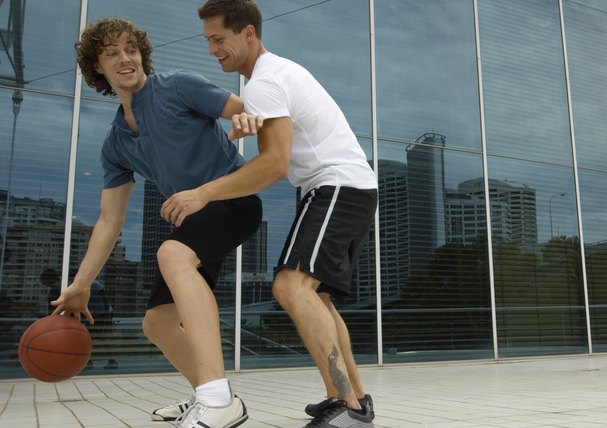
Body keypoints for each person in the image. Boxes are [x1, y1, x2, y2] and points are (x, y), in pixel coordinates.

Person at [160, 1, 378, 427]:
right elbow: (275, 140)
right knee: (314, 294)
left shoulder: (265, 81)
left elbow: (274, 165)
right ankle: (356, 400)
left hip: (337, 185)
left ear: (248, 34)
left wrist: (202, 194)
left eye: (218, 39)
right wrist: (250, 124)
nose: (212, 50)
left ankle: (346, 407)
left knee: (291, 287)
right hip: (344, 187)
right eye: (207, 41)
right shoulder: (274, 76)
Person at [51, 17, 263, 428]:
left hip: (233, 202)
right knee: (157, 323)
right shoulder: (115, 143)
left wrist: (246, 118)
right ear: (98, 67)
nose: (125, 58)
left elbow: (247, 111)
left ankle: (218, 400)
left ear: (142, 56)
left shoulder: (178, 86)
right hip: (194, 219)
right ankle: (208, 393)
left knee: (172, 253)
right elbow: (110, 220)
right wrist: (80, 285)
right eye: (112, 53)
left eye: (131, 49)